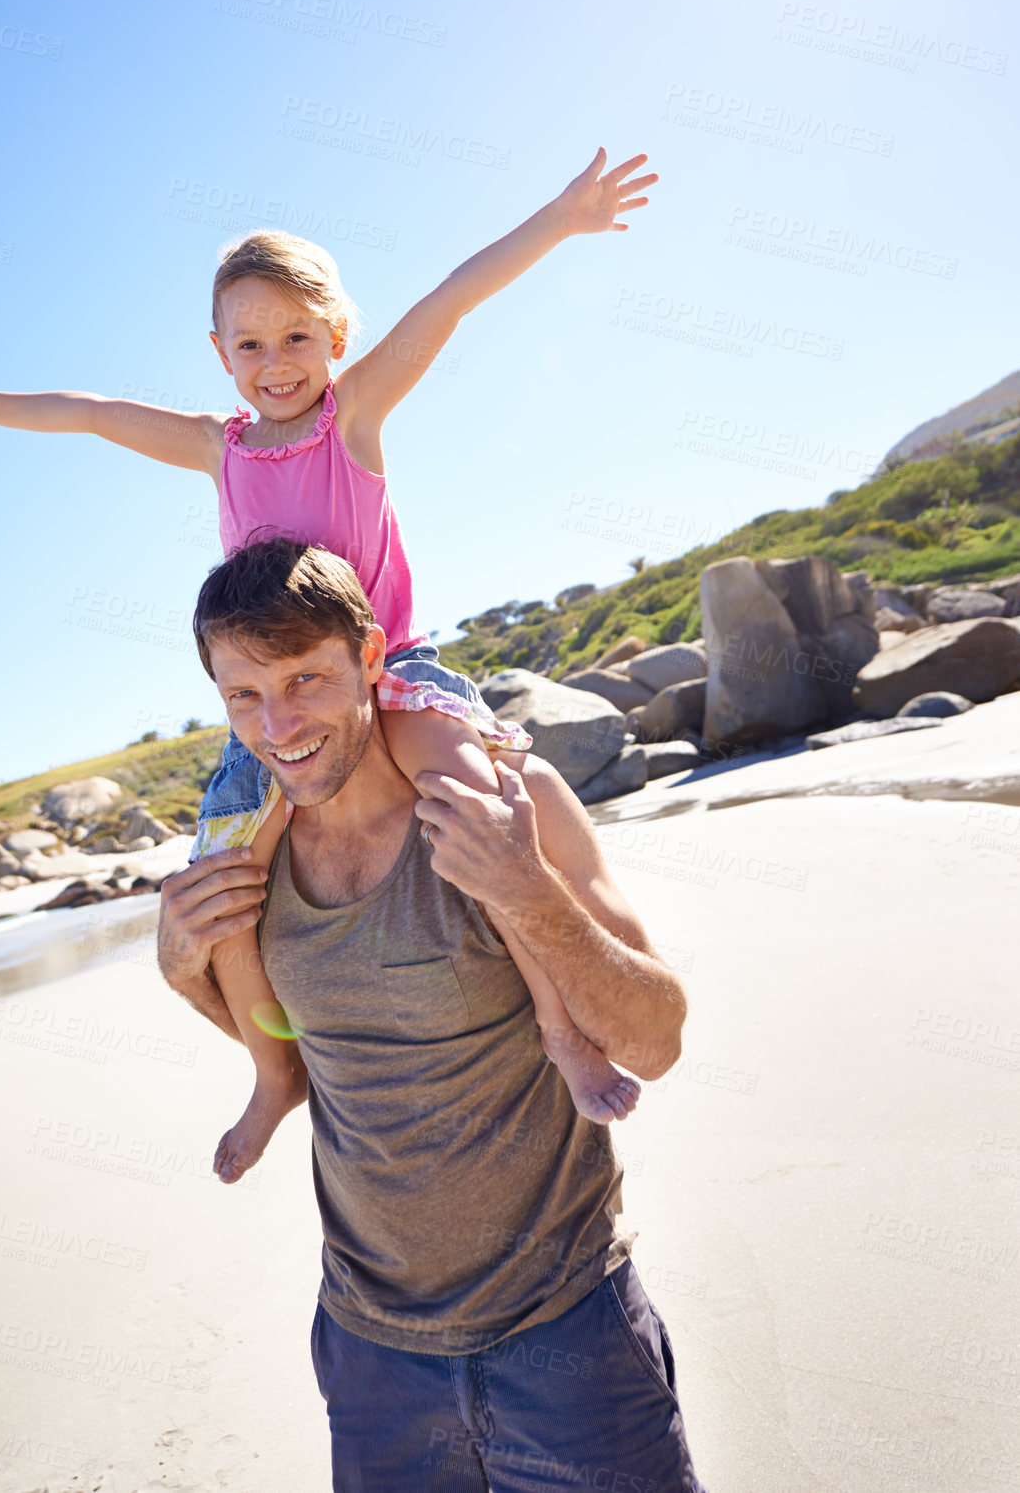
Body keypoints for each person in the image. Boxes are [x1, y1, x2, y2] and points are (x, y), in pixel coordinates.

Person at [0, 146, 659, 1181]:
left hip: (395, 668)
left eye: (299, 335)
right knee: (224, 884)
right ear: (219, 351)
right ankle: (274, 1072)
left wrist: (562, 218)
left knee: (481, 814)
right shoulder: (222, 448)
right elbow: (95, 413)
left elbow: (448, 303)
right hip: (282, 700)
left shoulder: (352, 418)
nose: (277, 358)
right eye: (251, 341)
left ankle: (564, 1032)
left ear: (336, 338)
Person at [158, 538, 706, 1493]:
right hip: (372, 1360)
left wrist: (524, 886)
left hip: (567, 1334)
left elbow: (653, 1039)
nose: (277, 724)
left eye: (307, 679)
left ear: (372, 660)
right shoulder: (249, 860)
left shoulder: (505, 803)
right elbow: (307, 1043)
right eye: (243, 694)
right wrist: (180, 966)